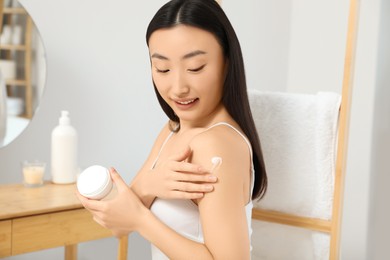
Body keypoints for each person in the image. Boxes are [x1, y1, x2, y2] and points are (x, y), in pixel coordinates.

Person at [77, 0, 267, 259]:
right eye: (163, 68)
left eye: (195, 68)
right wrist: (147, 185)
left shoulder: (217, 144)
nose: (178, 87)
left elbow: (131, 217)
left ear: (227, 62)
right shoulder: (173, 130)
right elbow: (118, 225)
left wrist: (141, 220)